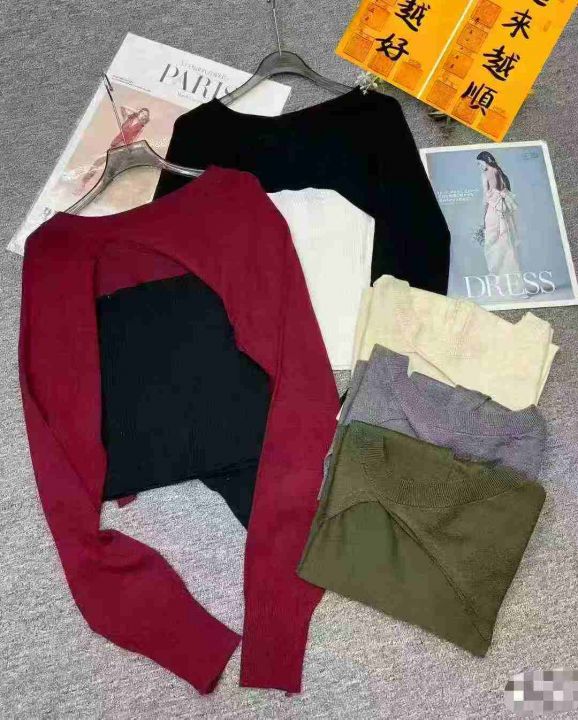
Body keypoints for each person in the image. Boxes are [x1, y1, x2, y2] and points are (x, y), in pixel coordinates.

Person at [80, 107, 151, 189]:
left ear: (145, 118)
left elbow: (135, 139)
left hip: (123, 149)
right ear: (139, 112)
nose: (143, 115)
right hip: (115, 145)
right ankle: (83, 184)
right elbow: (123, 107)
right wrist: (135, 111)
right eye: (142, 113)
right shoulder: (128, 119)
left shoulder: (141, 127)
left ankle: (101, 189)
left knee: (109, 171)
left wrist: (127, 146)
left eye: (145, 115)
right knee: (97, 162)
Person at [477, 150, 521, 277]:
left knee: (491, 242)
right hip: (503, 208)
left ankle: (496, 273)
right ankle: (511, 276)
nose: (478, 166)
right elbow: (503, 190)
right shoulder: (499, 172)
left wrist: (483, 218)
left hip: (493, 208)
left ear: (485, 161)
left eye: (479, 163)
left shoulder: (485, 175)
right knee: (506, 240)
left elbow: (485, 199)